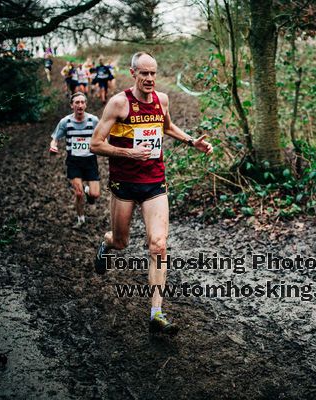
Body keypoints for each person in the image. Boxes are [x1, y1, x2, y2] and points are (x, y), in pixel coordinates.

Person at [90, 52, 213, 335]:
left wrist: (191, 141)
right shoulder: (119, 103)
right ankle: (106, 244)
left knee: (158, 244)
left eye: (153, 73)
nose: (149, 79)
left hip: (155, 182)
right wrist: (128, 152)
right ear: (133, 74)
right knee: (121, 241)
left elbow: (166, 126)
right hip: (124, 183)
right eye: (143, 73)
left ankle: (156, 313)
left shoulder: (162, 100)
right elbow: (95, 144)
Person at [50, 92, 101, 228]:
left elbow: (102, 136)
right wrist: (53, 146)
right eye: (77, 102)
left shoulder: (93, 120)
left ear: (85, 104)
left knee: (95, 194)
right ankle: (80, 219)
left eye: (82, 102)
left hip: (90, 161)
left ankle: (87, 190)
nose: (80, 105)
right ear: (72, 105)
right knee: (78, 193)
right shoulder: (65, 122)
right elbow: (55, 138)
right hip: (74, 162)